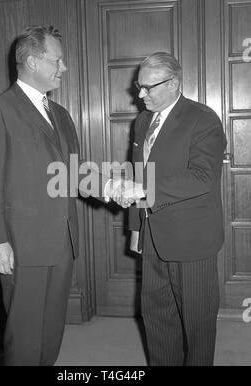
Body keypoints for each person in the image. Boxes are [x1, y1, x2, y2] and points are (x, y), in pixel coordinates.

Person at [0, 25, 141, 366]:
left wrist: (111, 188)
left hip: (62, 240)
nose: (63, 68)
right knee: (23, 333)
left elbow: (73, 173)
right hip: (20, 244)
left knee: (51, 330)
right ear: (33, 61)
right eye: (57, 60)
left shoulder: (60, 115)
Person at [128, 52, 227, 366]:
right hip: (152, 237)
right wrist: (136, 227)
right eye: (138, 87)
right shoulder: (142, 121)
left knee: (197, 327)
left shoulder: (203, 118)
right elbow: (137, 173)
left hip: (192, 241)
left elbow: (202, 177)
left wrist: (144, 190)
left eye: (148, 87)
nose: (141, 95)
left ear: (173, 83)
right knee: (157, 319)